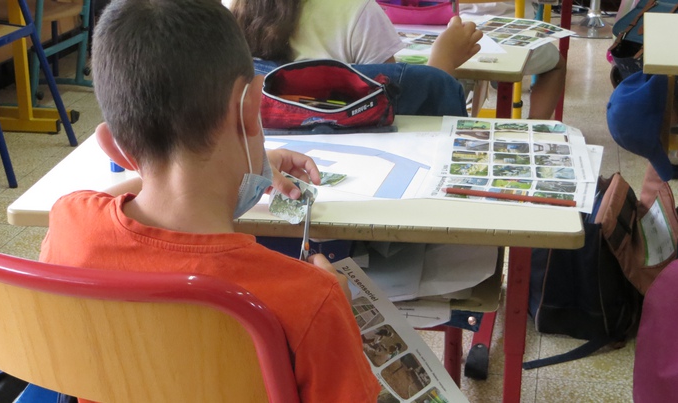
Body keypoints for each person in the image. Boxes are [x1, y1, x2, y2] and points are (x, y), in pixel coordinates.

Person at [39, 1, 380, 402]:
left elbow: (97, 203)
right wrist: (337, 306)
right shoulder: (310, 300)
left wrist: (211, 162)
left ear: (114, 147)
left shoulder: (69, 226)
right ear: (251, 109)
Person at [232, 0, 566, 120]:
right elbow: (398, 115)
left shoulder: (232, 11)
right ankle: (535, 127)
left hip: (280, 177)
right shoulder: (357, 13)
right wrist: (441, 66)